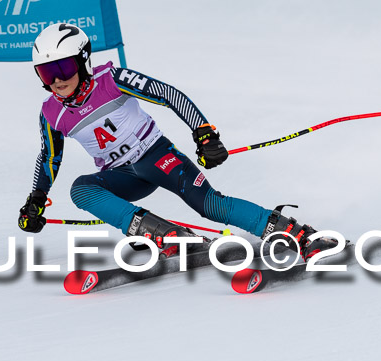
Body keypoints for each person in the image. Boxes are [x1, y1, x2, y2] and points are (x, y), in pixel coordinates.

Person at [18, 23, 335, 260]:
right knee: (82, 189)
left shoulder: (112, 80)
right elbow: (49, 158)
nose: (57, 80)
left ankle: (297, 235)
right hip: (123, 175)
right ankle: (169, 236)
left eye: (63, 67)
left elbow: (168, 94)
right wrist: (36, 198)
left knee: (210, 205)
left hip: (157, 157)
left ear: (84, 61)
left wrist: (203, 132)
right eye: (46, 73)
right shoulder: (51, 113)